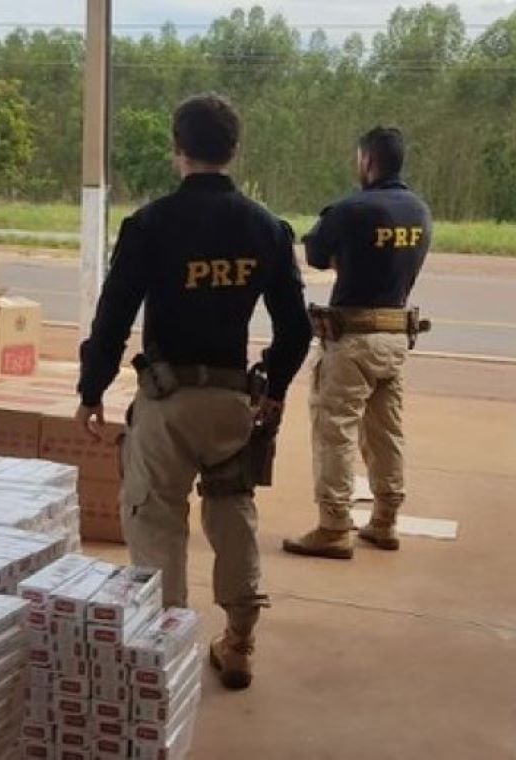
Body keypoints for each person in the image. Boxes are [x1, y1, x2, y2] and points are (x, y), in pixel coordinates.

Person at [75, 94, 311, 690]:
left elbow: (112, 318)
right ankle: (240, 642)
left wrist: (92, 387)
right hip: (232, 404)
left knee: (156, 519)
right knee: (233, 514)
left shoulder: (150, 225)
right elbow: (296, 328)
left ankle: (165, 650)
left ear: (176, 148)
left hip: (167, 404)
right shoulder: (267, 229)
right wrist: (274, 386)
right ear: (234, 150)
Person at [283, 126, 432, 560]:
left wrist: (345, 255)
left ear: (367, 160)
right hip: (396, 336)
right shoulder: (420, 212)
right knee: (386, 431)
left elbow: (315, 253)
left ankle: (333, 526)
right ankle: (385, 519)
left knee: (336, 429)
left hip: (352, 339)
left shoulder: (351, 209)